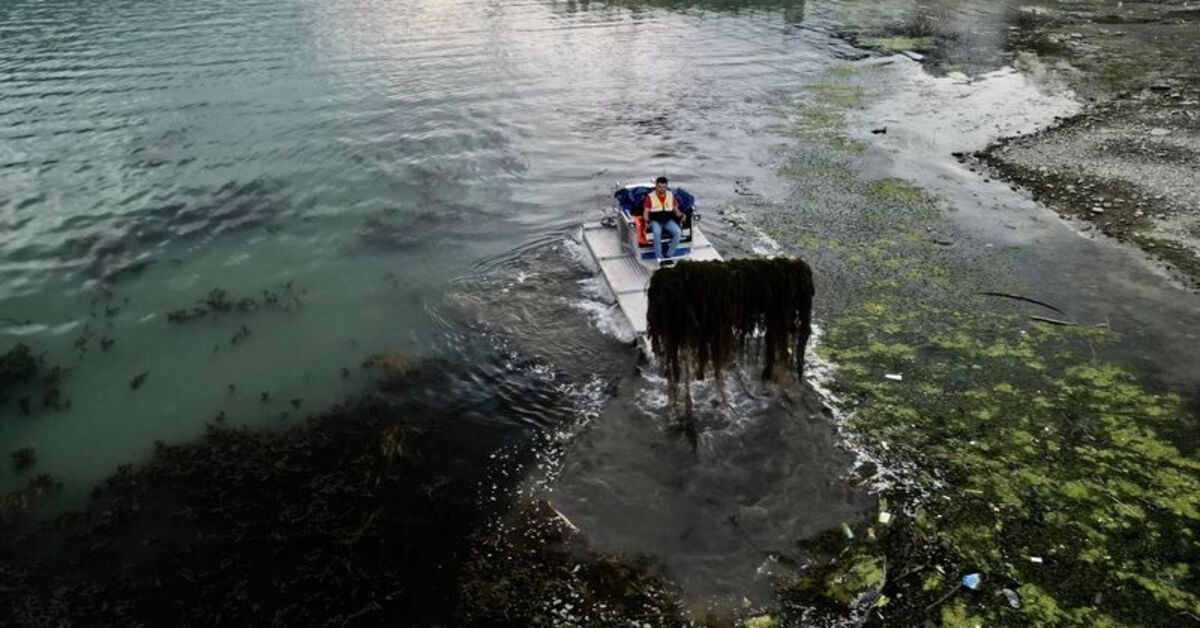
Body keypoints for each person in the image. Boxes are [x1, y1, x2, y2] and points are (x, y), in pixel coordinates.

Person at [642, 176, 685, 267]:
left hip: (668, 220)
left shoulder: (670, 195)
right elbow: (646, 212)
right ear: (656, 186)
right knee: (657, 232)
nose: (662, 188)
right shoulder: (650, 197)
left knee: (678, 232)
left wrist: (681, 215)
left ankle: (669, 255)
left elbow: (675, 209)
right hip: (655, 221)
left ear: (666, 186)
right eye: (660, 186)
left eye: (664, 187)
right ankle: (659, 257)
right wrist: (647, 220)